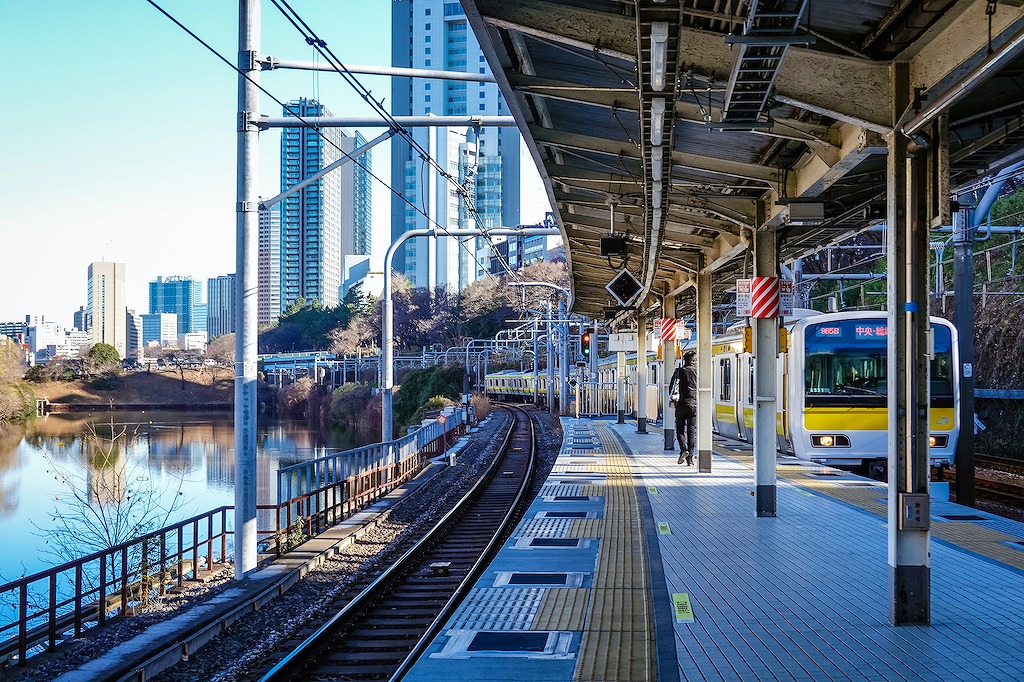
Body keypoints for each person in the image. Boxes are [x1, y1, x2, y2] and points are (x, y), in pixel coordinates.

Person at [669, 351, 698, 465]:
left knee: (680, 430)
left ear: (684, 360)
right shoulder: (698, 371)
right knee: (691, 431)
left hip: (681, 405)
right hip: (694, 405)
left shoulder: (679, 371)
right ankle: (690, 459)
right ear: (694, 360)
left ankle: (683, 450)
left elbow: (671, 388)